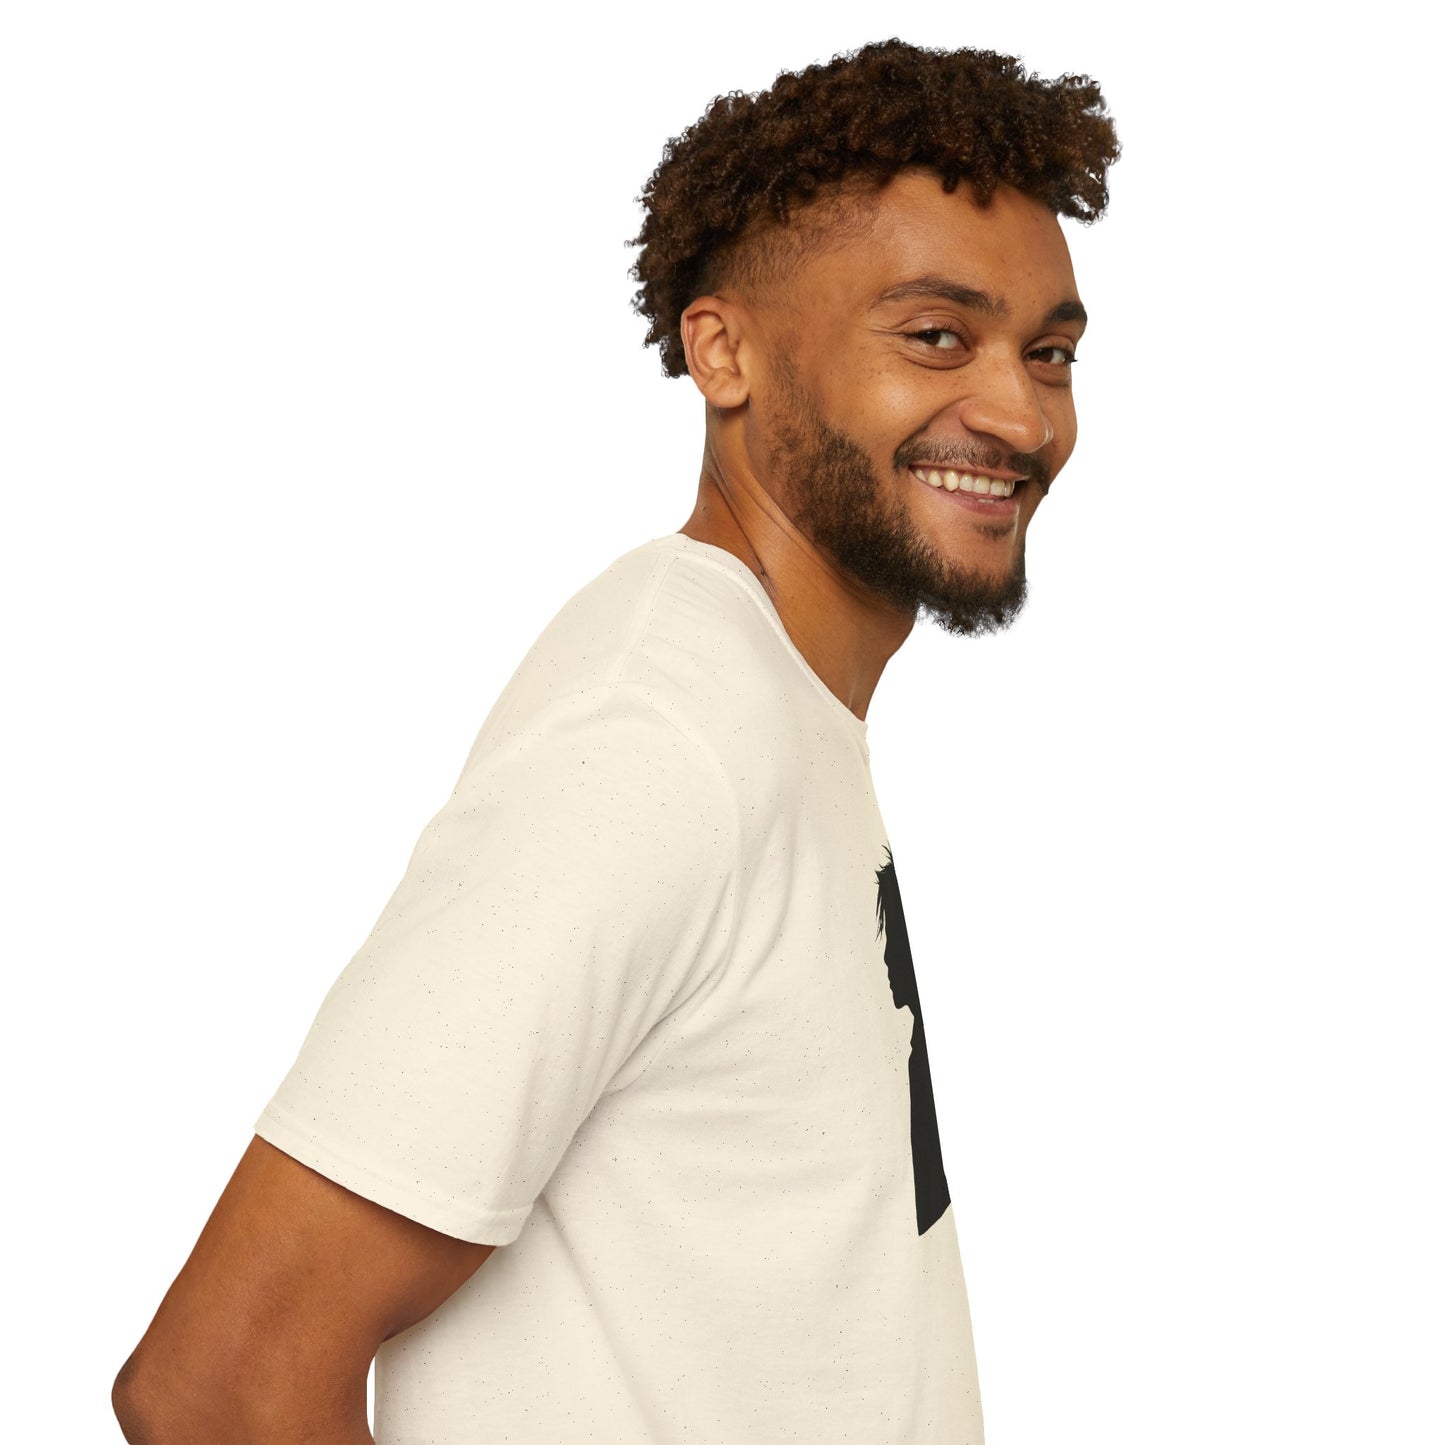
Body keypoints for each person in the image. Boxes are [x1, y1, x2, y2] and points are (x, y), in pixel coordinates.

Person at [113, 38, 1120, 1445]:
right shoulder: (659, 732)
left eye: (1049, 353)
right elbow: (220, 1382)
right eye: (935, 337)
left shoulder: (765, 706)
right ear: (724, 352)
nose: (1019, 413)